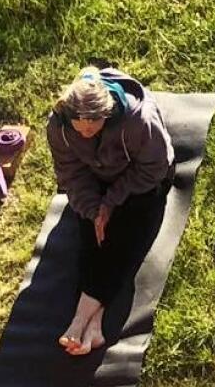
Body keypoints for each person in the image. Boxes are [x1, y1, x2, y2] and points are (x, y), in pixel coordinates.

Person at [45, 66, 174, 356]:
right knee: (92, 237)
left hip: (140, 183)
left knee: (126, 236)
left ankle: (80, 319)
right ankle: (95, 325)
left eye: (95, 124)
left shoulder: (139, 120)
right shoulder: (59, 127)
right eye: (81, 126)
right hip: (97, 183)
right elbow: (71, 174)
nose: (87, 131)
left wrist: (111, 201)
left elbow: (155, 168)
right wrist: (93, 211)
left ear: (108, 111)